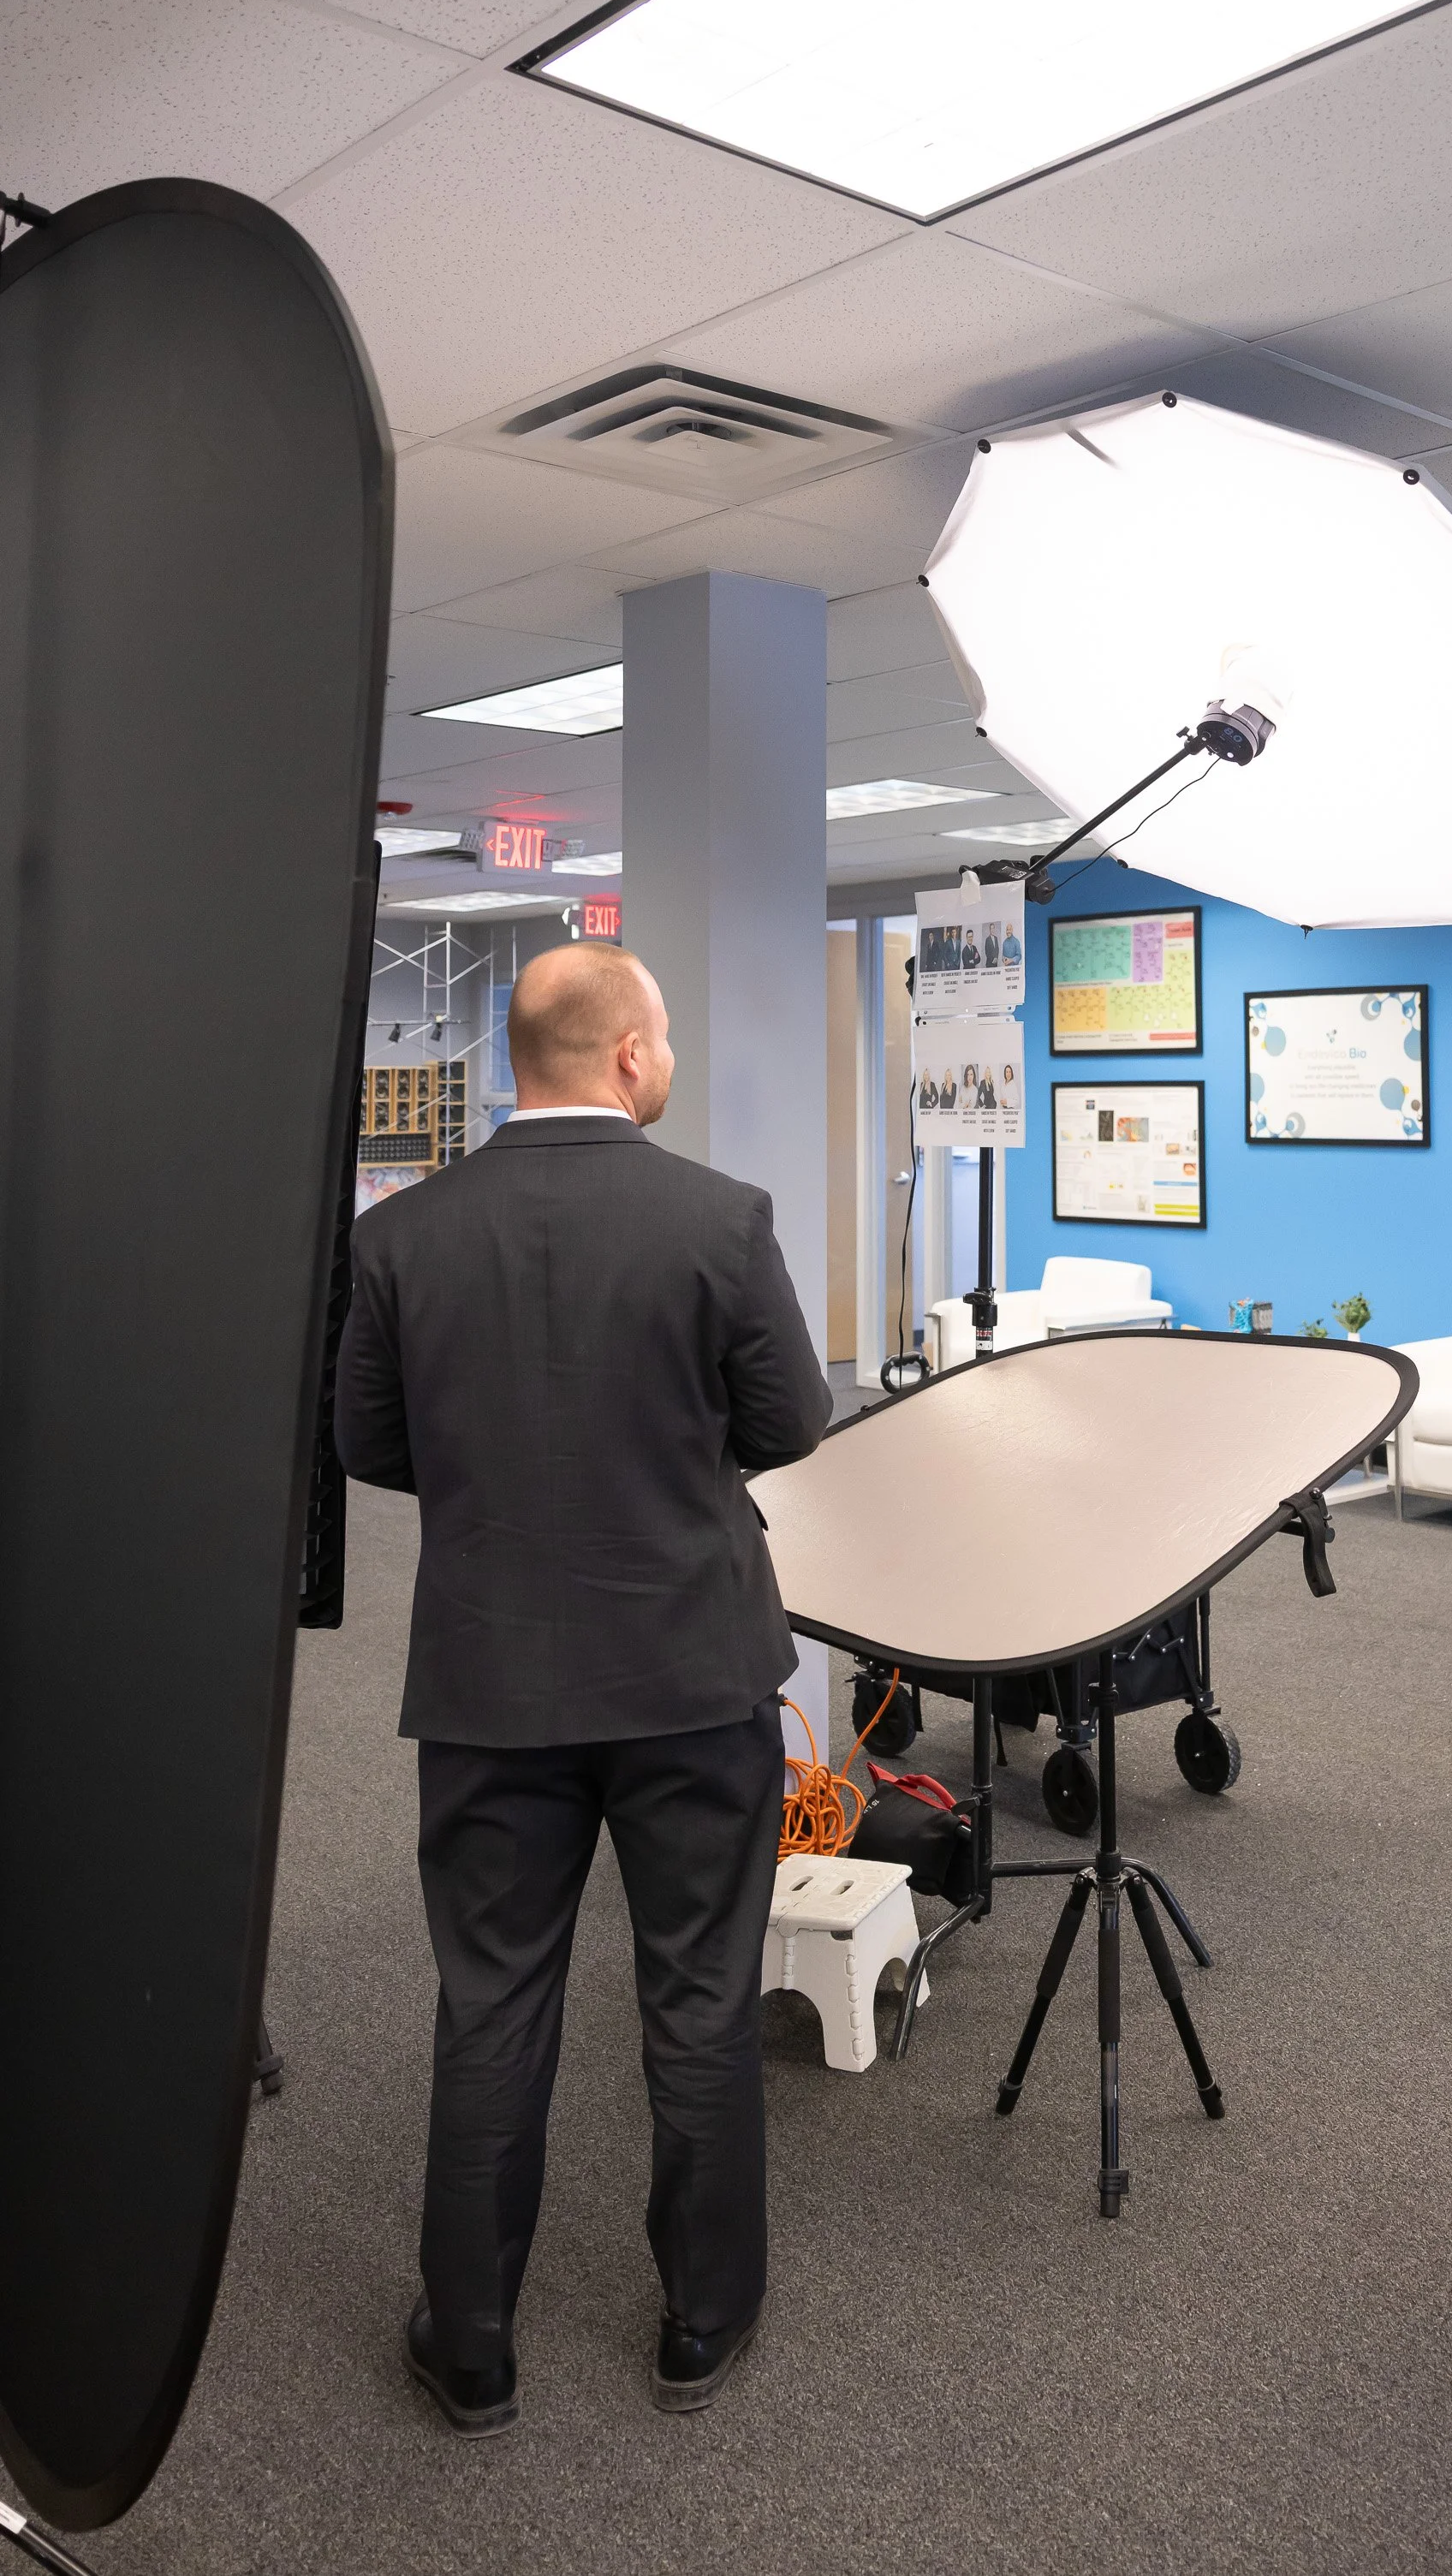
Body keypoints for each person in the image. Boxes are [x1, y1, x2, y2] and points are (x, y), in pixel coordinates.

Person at [335, 943, 830, 2434]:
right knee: (697, 1995)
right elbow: (791, 1418)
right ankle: (704, 2317)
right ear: (625, 1056)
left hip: (491, 1676)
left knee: (490, 2001)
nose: (665, 1055)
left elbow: (368, 1442)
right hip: (692, 1671)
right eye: (662, 1034)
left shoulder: (403, 1233)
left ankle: (471, 2342)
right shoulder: (719, 1221)